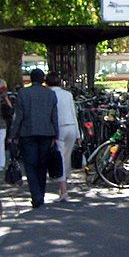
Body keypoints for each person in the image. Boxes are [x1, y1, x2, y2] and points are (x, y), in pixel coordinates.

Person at [9, 68, 58, 208]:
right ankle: (40, 194)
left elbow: (19, 117)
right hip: (46, 133)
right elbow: (54, 116)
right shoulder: (50, 94)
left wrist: (13, 135)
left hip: (28, 133)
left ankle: (36, 195)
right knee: (42, 165)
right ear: (43, 79)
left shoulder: (23, 93)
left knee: (30, 166)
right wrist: (56, 134)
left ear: (30, 79)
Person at [45, 72, 79, 202]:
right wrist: (78, 132)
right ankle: (64, 184)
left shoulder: (49, 95)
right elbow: (73, 112)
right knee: (66, 157)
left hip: (58, 128)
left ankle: (63, 191)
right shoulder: (68, 94)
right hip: (70, 126)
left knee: (59, 159)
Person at [0, 79, 13, 172]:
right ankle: (1, 164)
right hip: (2, 124)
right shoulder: (4, 98)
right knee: (1, 145)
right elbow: (10, 110)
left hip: (2, 125)